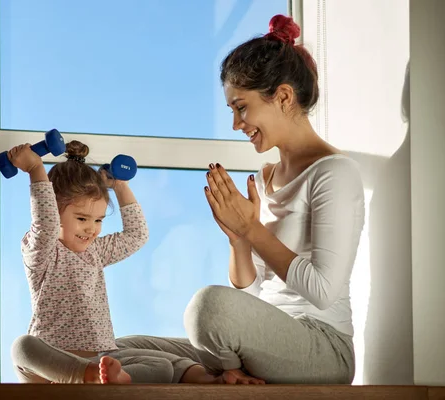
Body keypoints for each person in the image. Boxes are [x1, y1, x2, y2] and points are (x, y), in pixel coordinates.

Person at [116, 14, 365, 384]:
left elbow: (322, 291)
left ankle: (220, 373)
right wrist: (239, 241)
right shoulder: (267, 177)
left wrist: (252, 228)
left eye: (241, 107)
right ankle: (219, 376)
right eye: (232, 111)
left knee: (207, 308)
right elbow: (254, 292)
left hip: (322, 348)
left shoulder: (334, 173)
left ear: (282, 96)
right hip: (266, 342)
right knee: (121, 347)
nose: (236, 124)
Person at [9, 140, 222, 384]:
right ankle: (83, 377)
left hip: (100, 359)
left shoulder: (95, 251)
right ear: (55, 212)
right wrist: (36, 168)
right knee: (23, 347)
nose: (91, 229)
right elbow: (45, 224)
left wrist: (120, 186)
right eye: (82, 218)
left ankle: (105, 380)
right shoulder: (42, 250)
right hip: (54, 368)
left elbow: (136, 235)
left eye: (98, 220)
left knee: (161, 366)